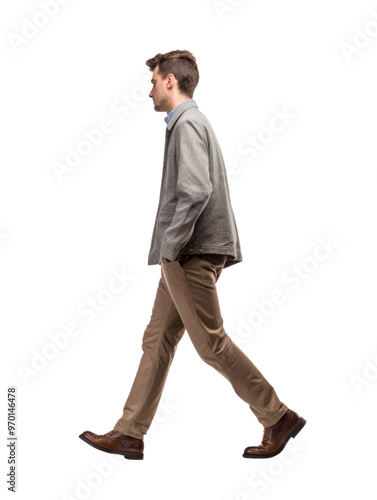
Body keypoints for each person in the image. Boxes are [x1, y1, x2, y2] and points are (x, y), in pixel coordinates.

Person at [79, 50, 306, 461]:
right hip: (187, 253)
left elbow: (196, 190)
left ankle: (277, 417)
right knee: (158, 338)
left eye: (153, 81)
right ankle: (130, 432)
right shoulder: (189, 124)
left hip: (189, 254)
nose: (148, 90)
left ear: (170, 81)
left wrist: (171, 245)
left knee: (211, 345)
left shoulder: (187, 124)